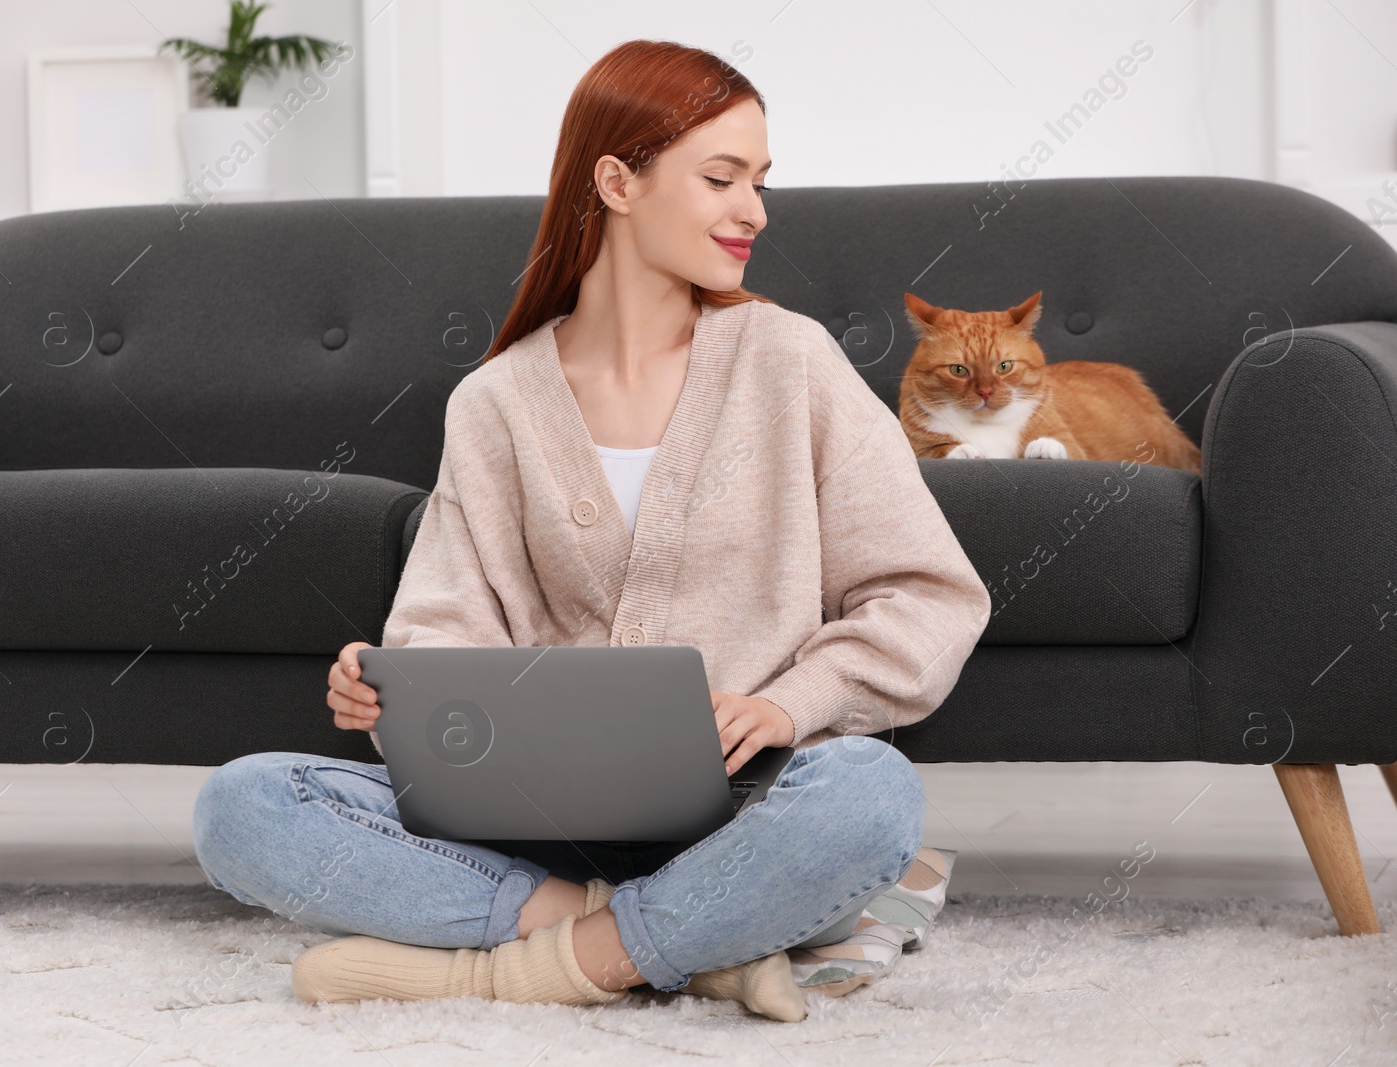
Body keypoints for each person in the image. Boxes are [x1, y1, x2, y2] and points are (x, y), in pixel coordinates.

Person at [191, 38, 991, 1024]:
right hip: (532, 825)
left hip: (745, 810)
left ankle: (504, 965)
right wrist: (389, 689)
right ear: (617, 179)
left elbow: (928, 593)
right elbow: (445, 629)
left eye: (760, 181)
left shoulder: (790, 362)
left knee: (872, 794)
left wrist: (788, 704)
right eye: (721, 178)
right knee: (243, 806)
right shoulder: (496, 402)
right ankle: (668, 944)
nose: (755, 210)